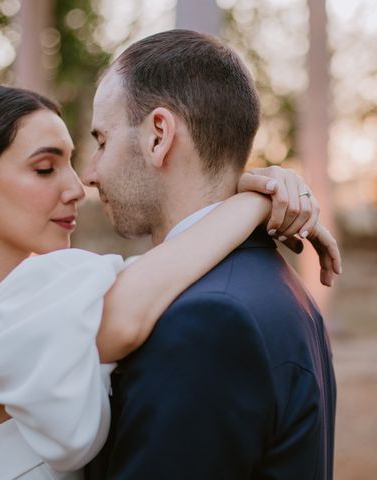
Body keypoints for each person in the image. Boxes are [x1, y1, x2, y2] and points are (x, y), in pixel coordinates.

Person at [0, 82, 338, 479]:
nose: (75, 187)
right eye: (45, 169)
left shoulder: (64, 297)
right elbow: (121, 318)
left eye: (71, 163)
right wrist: (253, 202)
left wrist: (244, 186)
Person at [74, 30, 338, 480]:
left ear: (159, 135)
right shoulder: (274, 286)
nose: (89, 174)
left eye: (102, 141)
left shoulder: (206, 321)